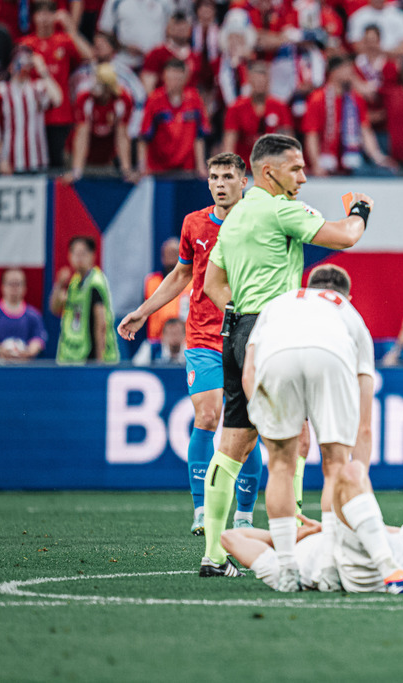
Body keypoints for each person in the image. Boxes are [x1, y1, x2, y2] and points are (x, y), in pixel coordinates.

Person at [198, 133, 373, 578]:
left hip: (237, 330)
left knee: (233, 444)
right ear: (268, 171)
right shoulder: (281, 209)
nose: (304, 176)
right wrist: (360, 210)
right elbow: (345, 237)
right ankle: (295, 547)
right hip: (274, 332)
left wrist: (243, 315)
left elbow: (212, 285)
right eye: (296, 168)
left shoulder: (234, 218)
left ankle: (213, 557)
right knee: (292, 446)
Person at [118, 153, 264, 536]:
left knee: (247, 427)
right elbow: (181, 274)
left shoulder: (259, 222)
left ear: (243, 181)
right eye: (214, 176)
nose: (219, 183)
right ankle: (202, 510)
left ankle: (244, 516)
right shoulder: (194, 223)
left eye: (227, 176)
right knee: (208, 416)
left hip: (247, 335)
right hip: (202, 336)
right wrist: (144, 312)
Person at [239, 264, 375, 592]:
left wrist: (266, 423)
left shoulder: (280, 303)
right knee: (335, 468)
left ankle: (286, 568)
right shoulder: (348, 312)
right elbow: (365, 423)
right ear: (347, 294)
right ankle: (328, 567)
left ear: (307, 286)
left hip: (276, 358)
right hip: (330, 356)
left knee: (281, 466)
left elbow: (249, 371)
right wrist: (358, 479)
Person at [221, 460, 403, 595]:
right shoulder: (289, 566)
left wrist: (316, 529)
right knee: (349, 472)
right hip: (364, 571)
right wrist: (290, 536)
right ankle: (392, 574)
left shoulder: (306, 547)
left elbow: (393, 532)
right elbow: (230, 537)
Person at [19, 0, 93, 169]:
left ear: (55, 17)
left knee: (57, 162)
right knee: (35, 161)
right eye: (40, 14)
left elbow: (89, 56)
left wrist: (71, 29)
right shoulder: (25, 45)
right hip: (33, 114)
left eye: (48, 14)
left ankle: (56, 195)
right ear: (34, 17)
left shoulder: (63, 41)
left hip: (61, 115)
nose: (44, 18)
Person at [50, 235, 119, 364]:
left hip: (91, 355)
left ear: (92, 255)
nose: (78, 258)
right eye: (75, 253)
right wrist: (58, 285)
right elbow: (55, 309)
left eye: (83, 253)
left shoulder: (95, 283)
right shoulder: (74, 282)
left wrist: (100, 360)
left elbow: (101, 323)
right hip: (73, 354)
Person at [137, 58, 211, 176]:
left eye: (178, 77)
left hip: (186, 169)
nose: (174, 82)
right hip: (158, 170)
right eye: (170, 77)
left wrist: (201, 166)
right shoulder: (154, 100)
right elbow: (144, 137)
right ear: (164, 77)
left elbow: (199, 136)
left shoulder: (195, 99)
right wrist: (142, 166)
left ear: (185, 78)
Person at [0, 46, 62, 174]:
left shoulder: (37, 88)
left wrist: (43, 70)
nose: (23, 65)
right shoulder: (2, 91)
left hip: (37, 161)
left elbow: (57, 99)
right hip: (10, 162)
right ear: (11, 65)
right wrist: (0, 159)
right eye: (19, 61)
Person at [68, 62, 134, 181]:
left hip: (106, 157)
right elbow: (82, 135)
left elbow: (122, 137)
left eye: (98, 82)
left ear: (108, 86)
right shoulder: (85, 98)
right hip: (81, 156)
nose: (93, 85)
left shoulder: (122, 100)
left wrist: (126, 169)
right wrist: (77, 170)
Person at [0, 268, 47, 361]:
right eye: (11, 283)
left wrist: (29, 352)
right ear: (2, 286)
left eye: (18, 284)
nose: (14, 287)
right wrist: (1, 350)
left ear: (25, 287)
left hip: (24, 369)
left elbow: (38, 339)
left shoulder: (33, 316)